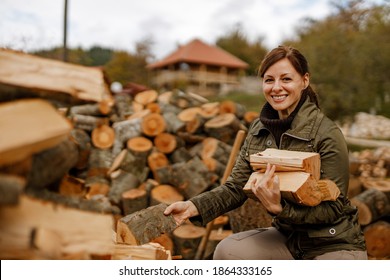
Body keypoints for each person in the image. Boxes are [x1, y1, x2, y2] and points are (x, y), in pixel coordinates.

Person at [164, 45, 367, 260]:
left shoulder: (327, 133)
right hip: (287, 238)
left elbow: (333, 209)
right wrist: (192, 207)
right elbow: (235, 187)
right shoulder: (258, 129)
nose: (276, 87)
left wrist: (280, 209)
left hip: (332, 242)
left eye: (286, 79)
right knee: (228, 251)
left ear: (304, 81)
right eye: (269, 80)